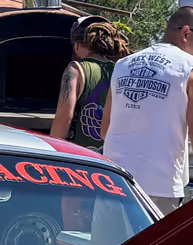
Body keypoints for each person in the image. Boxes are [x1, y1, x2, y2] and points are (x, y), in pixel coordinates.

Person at [101, 6, 193, 214]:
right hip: (159, 186)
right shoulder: (192, 67)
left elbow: (106, 129)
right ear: (186, 33)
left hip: (113, 180)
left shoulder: (122, 64)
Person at [50, 15, 132, 150]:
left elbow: (63, 120)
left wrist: (52, 153)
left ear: (76, 45)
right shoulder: (120, 70)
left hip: (81, 156)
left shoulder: (75, 69)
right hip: (110, 156)